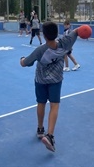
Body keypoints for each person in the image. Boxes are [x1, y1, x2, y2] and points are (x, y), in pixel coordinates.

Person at [20, 21, 79, 152]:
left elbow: (25, 63)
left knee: (41, 103)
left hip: (41, 80)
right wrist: (85, 31)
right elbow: (79, 31)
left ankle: (40, 129)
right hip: (56, 81)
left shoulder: (40, 50)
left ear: (44, 35)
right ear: (56, 33)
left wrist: (21, 59)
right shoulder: (65, 43)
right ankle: (50, 135)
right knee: (54, 105)